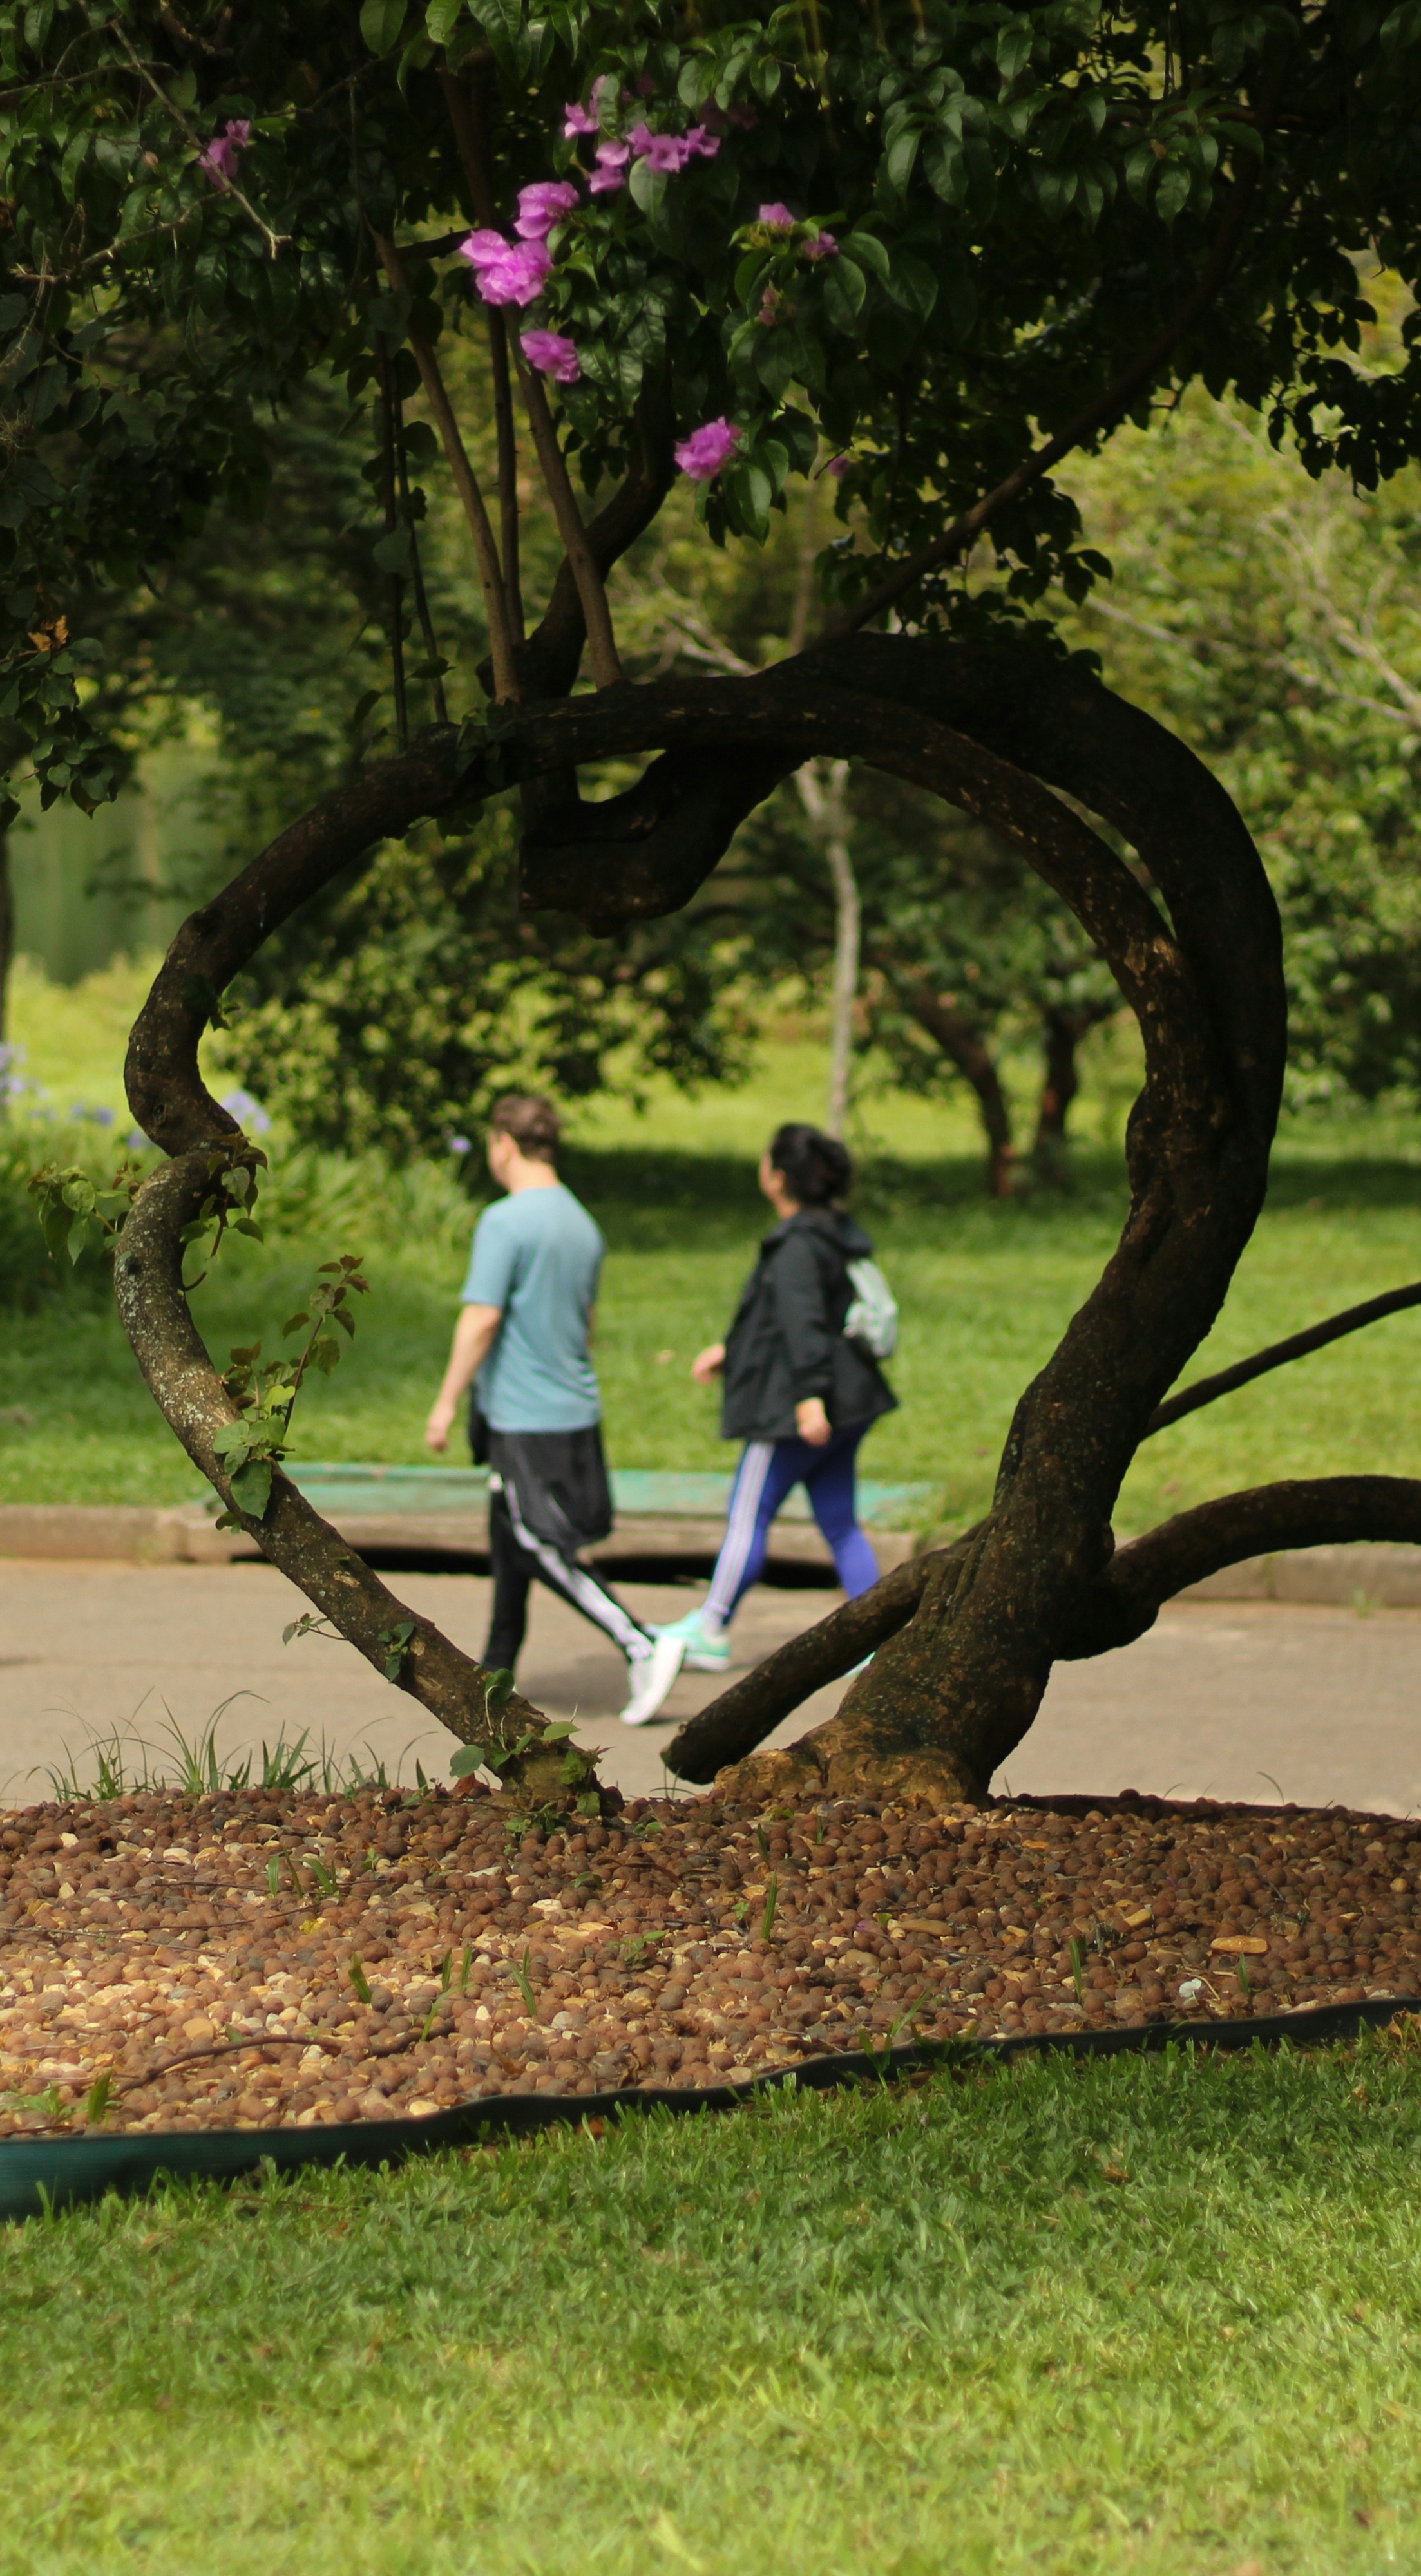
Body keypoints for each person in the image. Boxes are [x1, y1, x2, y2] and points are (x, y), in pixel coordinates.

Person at [425, 1094, 684, 1726]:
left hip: (523, 1415)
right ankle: (491, 1675)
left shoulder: (505, 1221)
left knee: (536, 1540)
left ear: (503, 1144)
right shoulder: (581, 1221)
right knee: (508, 1537)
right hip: (571, 1408)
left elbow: (482, 1317)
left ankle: (642, 1641)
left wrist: (445, 1400)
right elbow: (585, 1320)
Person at [656, 1122, 897, 1672]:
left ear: (778, 1177)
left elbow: (803, 1324)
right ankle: (877, 1638)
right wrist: (729, 1350)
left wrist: (809, 1398)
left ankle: (712, 1628)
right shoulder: (832, 1231)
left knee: (750, 1513)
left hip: (797, 1408)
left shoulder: (794, 1245)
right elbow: (785, 1316)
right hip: (851, 1397)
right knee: (840, 1522)